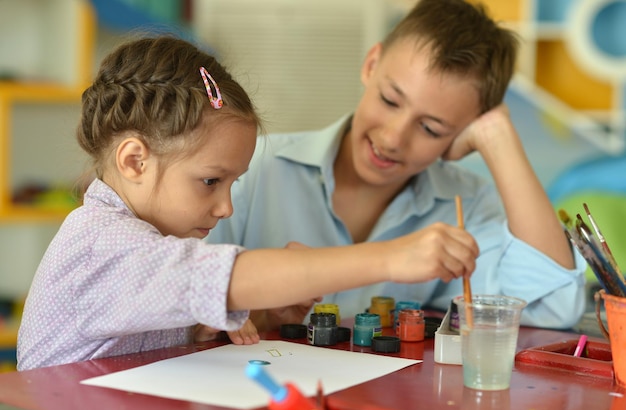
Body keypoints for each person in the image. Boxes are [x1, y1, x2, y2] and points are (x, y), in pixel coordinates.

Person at [16, 35, 479, 371]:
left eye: (232, 184)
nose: (225, 208)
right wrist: (393, 256)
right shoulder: (100, 244)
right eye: (210, 181)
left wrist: (254, 315)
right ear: (135, 160)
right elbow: (227, 276)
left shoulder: (148, 244)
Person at [207, 0, 587, 330]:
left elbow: (551, 307)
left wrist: (498, 137)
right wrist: (262, 315)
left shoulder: (464, 204)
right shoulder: (251, 168)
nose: (392, 138)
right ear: (371, 64)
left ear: (464, 129)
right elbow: (179, 292)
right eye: (390, 100)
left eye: (430, 128)